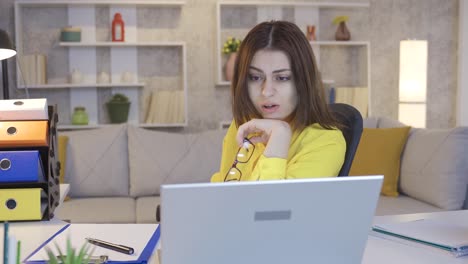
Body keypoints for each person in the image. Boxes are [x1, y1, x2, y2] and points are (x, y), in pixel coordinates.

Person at [211, 20, 346, 182]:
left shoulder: (327, 143)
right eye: (255, 77)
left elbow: (272, 205)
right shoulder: (244, 124)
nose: (266, 91)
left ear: (303, 81)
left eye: (282, 78)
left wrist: (279, 136)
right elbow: (223, 185)